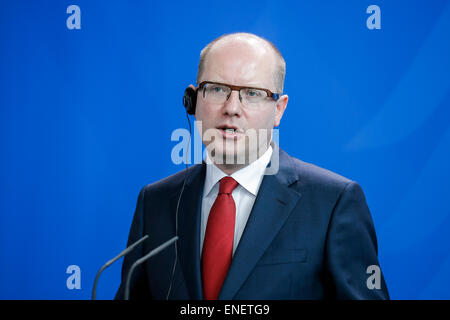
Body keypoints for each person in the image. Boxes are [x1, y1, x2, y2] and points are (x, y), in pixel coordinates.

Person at [115, 32, 389, 300]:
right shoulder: (156, 201)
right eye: (218, 89)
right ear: (193, 101)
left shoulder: (333, 202)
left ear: (279, 109)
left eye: (252, 93)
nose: (232, 108)